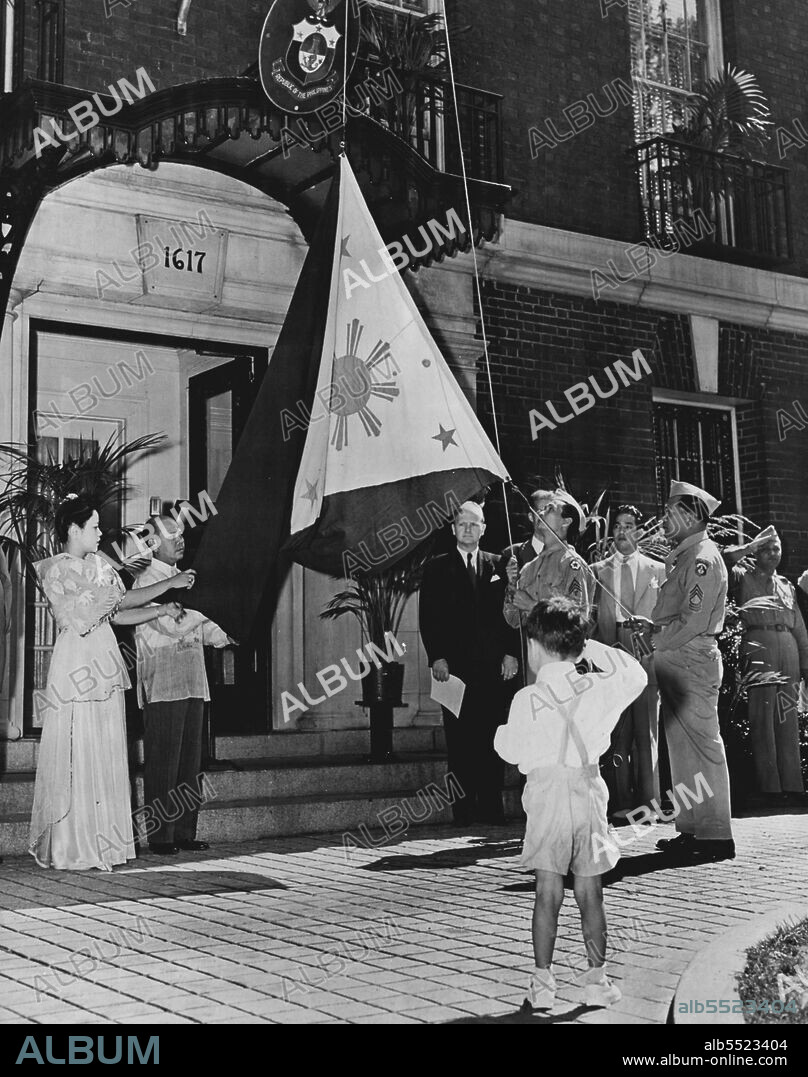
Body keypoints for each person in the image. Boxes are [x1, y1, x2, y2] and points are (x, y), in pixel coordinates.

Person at [494, 597, 647, 1010]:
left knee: (547, 893)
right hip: (588, 794)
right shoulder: (598, 687)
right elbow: (635, 674)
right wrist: (589, 647)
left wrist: (501, 735)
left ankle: (543, 982)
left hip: (547, 798)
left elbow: (509, 750)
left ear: (538, 648)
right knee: (590, 891)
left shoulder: (527, 698)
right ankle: (596, 979)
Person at [29, 494, 195, 871]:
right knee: (82, 746)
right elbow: (83, 616)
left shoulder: (100, 568)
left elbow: (119, 610)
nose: (101, 533)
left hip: (104, 661)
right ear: (74, 530)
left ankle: (104, 844)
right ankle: (74, 846)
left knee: (106, 744)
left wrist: (166, 596)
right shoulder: (57, 569)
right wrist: (115, 576)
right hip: (78, 665)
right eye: (94, 527)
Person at [134, 515, 232, 855]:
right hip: (164, 677)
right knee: (164, 758)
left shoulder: (188, 580)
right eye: (171, 535)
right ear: (152, 542)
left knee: (191, 759)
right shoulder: (146, 581)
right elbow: (172, 625)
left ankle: (184, 833)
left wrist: (229, 631)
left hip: (192, 675)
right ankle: (161, 837)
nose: (180, 541)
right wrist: (209, 606)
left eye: (181, 534)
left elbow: (200, 629)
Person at [418, 501, 520, 825]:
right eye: (462, 524)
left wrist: (510, 653)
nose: (467, 529)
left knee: (490, 739)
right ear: (453, 529)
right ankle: (462, 811)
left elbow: (509, 614)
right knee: (459, 742)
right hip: (454, 670)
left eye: (474, 524)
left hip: (491, 669)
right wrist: (437, 656)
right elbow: (429, 618)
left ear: (484, 529)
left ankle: (491, 808)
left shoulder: (498, 565)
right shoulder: (436, 567)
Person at [651, 481, 734, 862]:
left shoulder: (702, 558)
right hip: (676, 656)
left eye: (671, 512)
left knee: (703, 744)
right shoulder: (685, 555)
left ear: (691, 516)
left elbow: (694, 618)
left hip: (692, 656)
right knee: (680, 748)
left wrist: (658, 640)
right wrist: (652, 628)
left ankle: (716, 834)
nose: (665, 519)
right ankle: (691, 827)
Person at [593, 505, 666, 818]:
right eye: (618, 525)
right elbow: (592, 617)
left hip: (645, 648)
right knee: (616, 728)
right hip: (613, 649)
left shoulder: (658, 570)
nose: (623, 531)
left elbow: (666, 615)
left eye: (629, 525)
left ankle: (650, 803)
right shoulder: (597, 570)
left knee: (646, 725)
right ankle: (620, 802)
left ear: (639, 531)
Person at [724, 526, 807, 802]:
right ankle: (770, 787)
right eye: (766, 549)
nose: (772, 554)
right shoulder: (742, 577)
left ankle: (793, 786)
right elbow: (724, 559)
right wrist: (749, 546)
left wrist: (805, 661)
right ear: (756, 553)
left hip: (788, 647)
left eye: (776, 548)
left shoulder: (786, 585)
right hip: (759, 644)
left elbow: (799, 625)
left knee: (787, 715)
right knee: (763, 717)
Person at [503, 490, 591, 629]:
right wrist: (512, 585)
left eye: (550, 509)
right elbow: (513, 620)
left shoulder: (572, 564)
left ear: (566, 522)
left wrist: (532, 606)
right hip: (532, 649)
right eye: (542, 509)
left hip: (559, 650)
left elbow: (578, 620)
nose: (542, 513)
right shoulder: (528, 567)